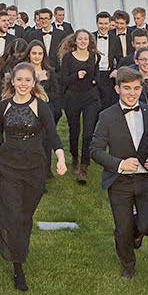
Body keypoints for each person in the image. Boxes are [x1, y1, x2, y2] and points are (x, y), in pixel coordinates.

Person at [0, 62, 67, 291]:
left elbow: (53, 136)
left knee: (24, 217)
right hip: (8, 167)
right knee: (14, 216)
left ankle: (17, 245)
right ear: (12, 81)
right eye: (19, 80)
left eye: (28, 80)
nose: (23, 84)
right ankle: (18, 266)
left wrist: (61, 159)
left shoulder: (41, 107)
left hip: (35, 168)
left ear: (34, 83)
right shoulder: (2, 106)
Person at [91, 68, 148, 279]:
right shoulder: (107, 116)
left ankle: (138, 230)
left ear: (141, 88)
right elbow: (95, 150)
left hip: (147, 178)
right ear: (117, 89)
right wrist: (119, 164)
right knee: (122, 230)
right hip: (120, 181)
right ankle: (128, 264)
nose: (132, 93)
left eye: (136, 88)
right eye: (126, 89)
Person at [57, 29, 101, 185]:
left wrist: (94, 81)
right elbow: (63, 80)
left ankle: (84, 165)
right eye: (80, 39)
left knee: (88, 133)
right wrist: (77, 76)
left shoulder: (95, 57)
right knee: (74, 131)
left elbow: (97, 77)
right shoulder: (68, 58)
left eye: (86, 39)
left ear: (89, 41)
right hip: (72, 98)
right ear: (75, 41)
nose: (83, 41)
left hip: (90, 98)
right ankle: (75, 157)